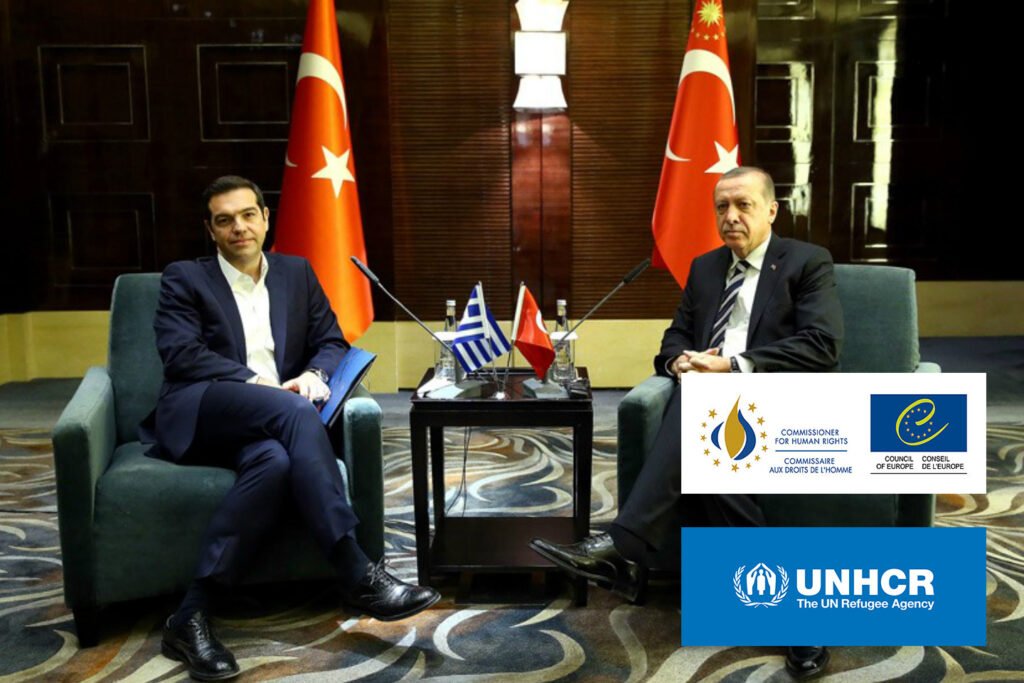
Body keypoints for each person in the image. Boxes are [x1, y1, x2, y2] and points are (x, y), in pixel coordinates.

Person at [530, 166, 843, 680]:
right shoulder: (705, 268)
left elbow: (822, 346)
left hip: (780, 402)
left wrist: (733, 365)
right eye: (722, 207)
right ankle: (800, 623)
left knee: (703, 399)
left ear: (771, 210)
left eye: (743, 205)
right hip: (715, 411)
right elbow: (674, 338)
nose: (731, 216)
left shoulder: (806, 262)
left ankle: (624, 544)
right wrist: (680, 361)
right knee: (705, 424)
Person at [142, 176, 439, 681]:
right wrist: (258, 382)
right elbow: (182, 354)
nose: (238, 227)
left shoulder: (296, 273)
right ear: (210, 230)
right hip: (204, 408)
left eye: (247, 215)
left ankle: (190, 615)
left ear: (265, 218)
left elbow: (331, 340)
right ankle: (354, 567)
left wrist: (314, 374)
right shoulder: (184, 278)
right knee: (294, 412)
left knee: (275, 463)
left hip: (270, 428)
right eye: (224, 220)